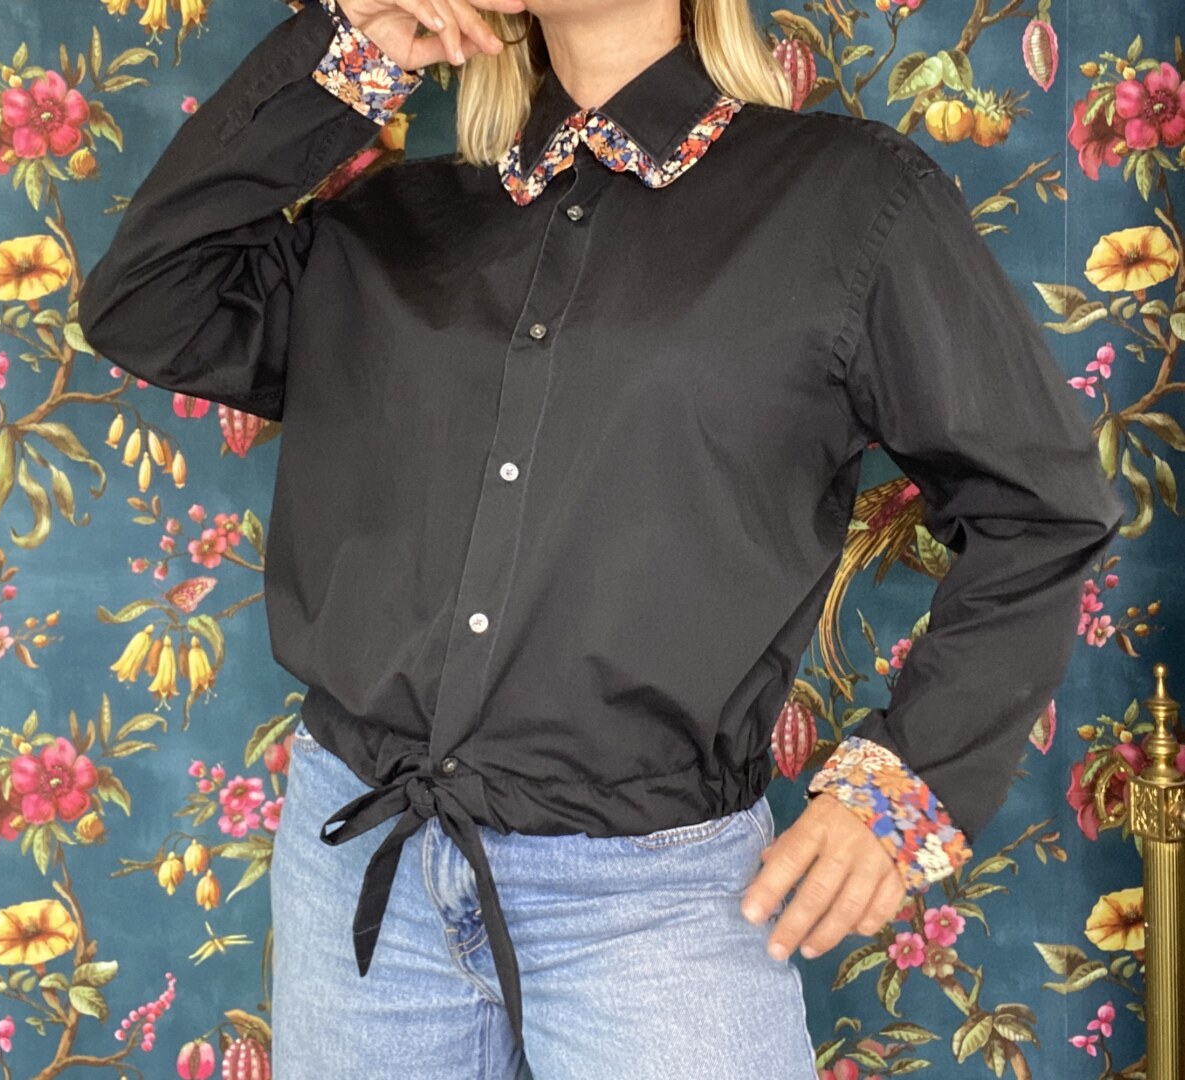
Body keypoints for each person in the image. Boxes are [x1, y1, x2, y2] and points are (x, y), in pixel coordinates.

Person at [77, 0, 1125, 1075]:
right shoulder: (392, 216)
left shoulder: (848, 202)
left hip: (654, 898)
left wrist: (905, 787)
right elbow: (147, 303)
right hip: (359, 858)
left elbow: (1038, 509)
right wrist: (354, 46)